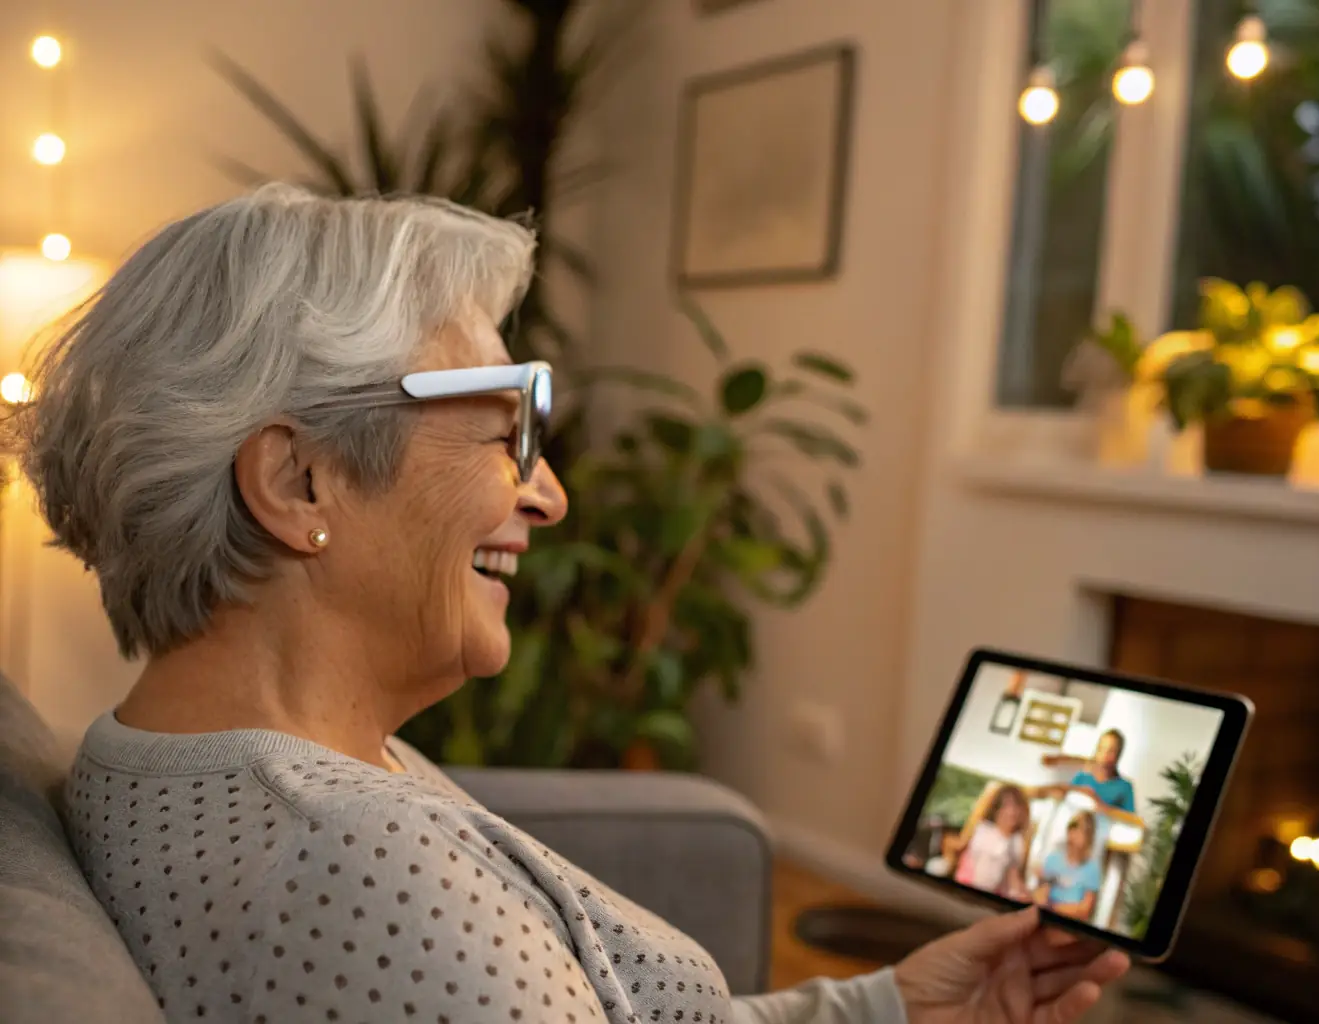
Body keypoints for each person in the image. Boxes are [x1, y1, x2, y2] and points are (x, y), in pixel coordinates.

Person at [26, 186, 1129, 1024]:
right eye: (507, 434)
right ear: (299, 481)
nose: (548, 492)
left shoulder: (206, 758)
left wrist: (884, 1007)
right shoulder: (349, 856)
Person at [952, 785, 1030, 899]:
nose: (1012, 812)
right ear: (997, 809)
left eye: (1016, 806)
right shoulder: (983, 831)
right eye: (1006, 806)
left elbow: (1012, 876)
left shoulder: (1017, 841)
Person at [1042, 729, 1136, 813]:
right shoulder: (1082, 778)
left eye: (1110, 751)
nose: (1104, 755)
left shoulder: (1124, 787)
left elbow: (1131, 821)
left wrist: (1101, 806)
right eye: (1101, 749)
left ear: (1118, 755)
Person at [1035, 812, 1103, 923]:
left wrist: (1053, 907)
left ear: (1089, 837)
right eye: (1074, 828)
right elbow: (1041, 893)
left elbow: (1085, 909)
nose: (1076, 834)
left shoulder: (1092, 869)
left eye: (1083, 831)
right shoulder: (1053, 858)